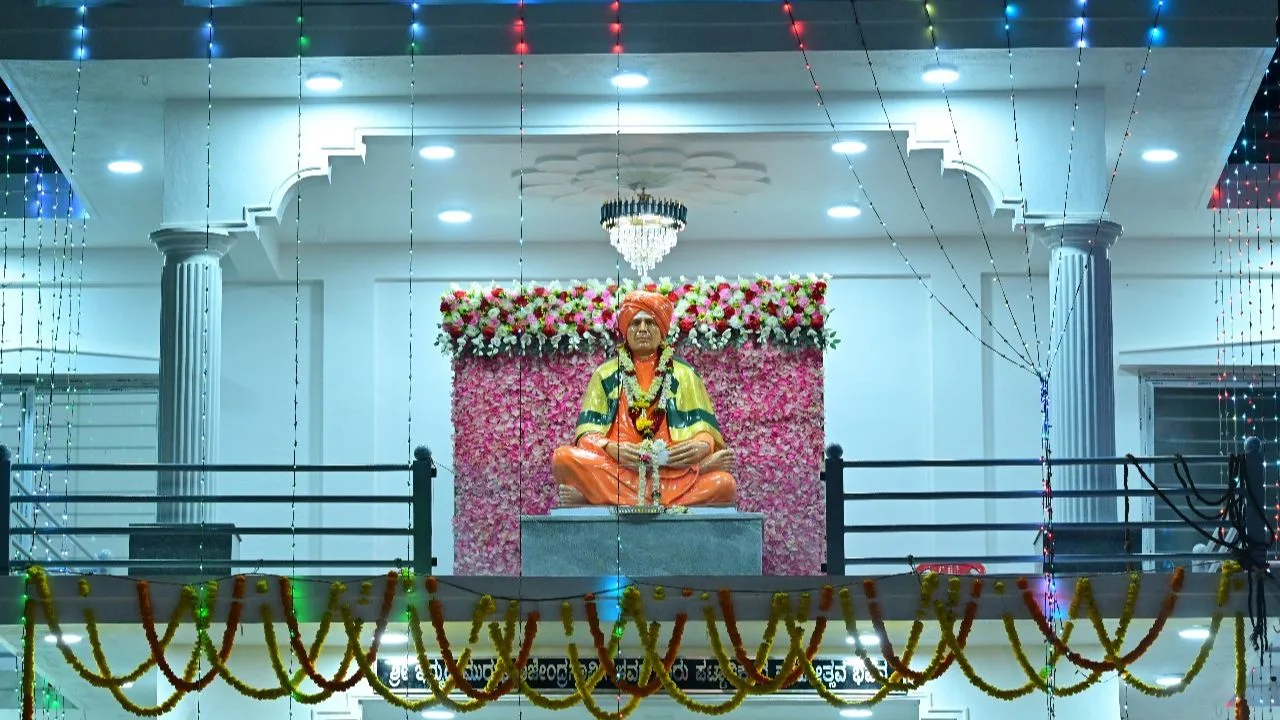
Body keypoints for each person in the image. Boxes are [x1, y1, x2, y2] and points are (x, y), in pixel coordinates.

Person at [552, 290, 737, 507]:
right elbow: (586, 436)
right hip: (621, 467)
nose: (642, 329)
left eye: (650, 323)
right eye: (635, 323)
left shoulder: (684, 374)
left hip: (670, 466)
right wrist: (611, 448)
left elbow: (704, 432)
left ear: (661, 330)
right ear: (626, 330)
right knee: (563, 458)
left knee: (724, 484)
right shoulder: (605, 374)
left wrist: (702, 446)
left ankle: (595, 496)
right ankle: (678, 485)